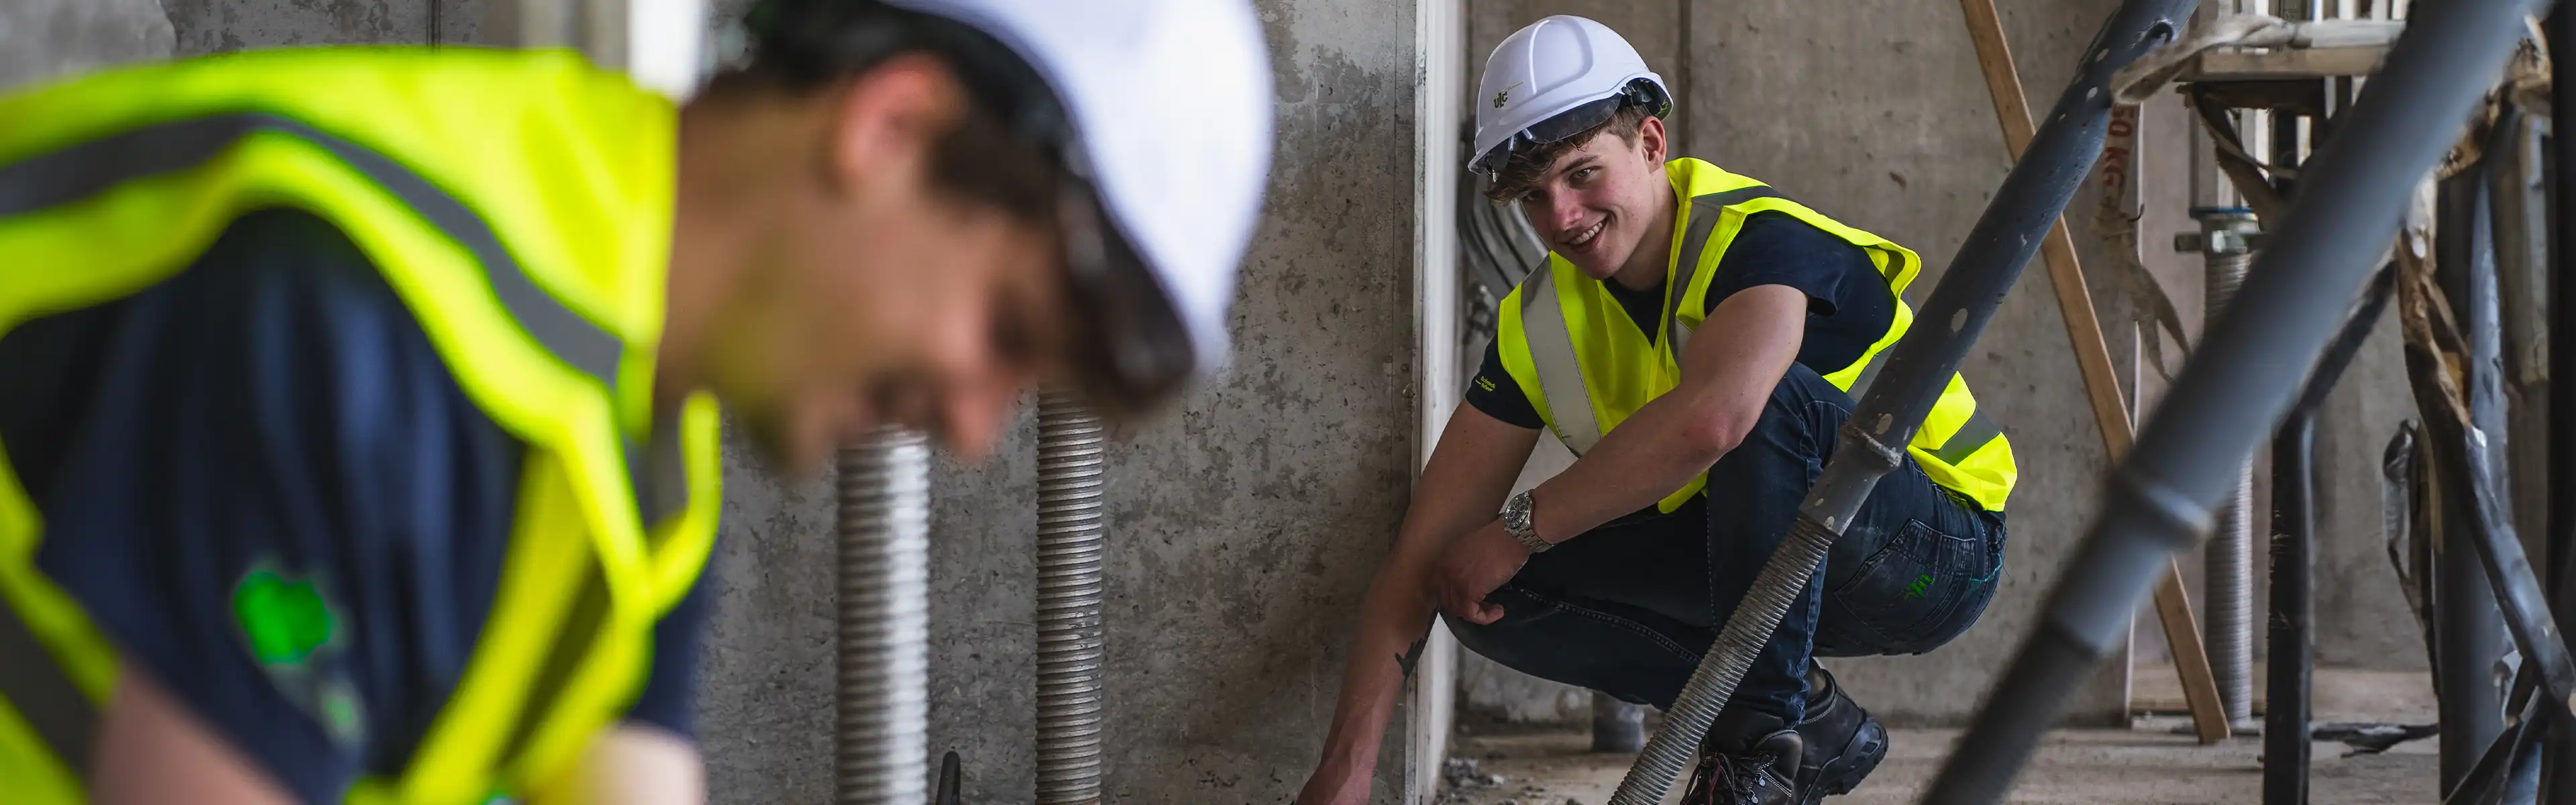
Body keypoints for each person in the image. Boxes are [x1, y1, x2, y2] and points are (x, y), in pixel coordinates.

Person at [0, 0, 1271, 802]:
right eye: (1005, 332)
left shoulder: (640, 427)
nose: (978, 428)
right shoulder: (361, 306)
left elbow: (622, 771)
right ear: (890, 127)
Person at [1295, 15, 2015, 805]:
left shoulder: (1758, 241)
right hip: (1764, 567)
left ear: (1649, 143)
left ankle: (1759, 758)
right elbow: (1419, 556)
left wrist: (1521, 526)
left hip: (1929, 546)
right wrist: (1345, 774)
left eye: (1581, 174)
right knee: (1483, 594)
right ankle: (1808, 720)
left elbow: (1720, 417)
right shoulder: (1539, 324)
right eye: (1533, 198)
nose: (1560, 217)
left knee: (1760, 389)